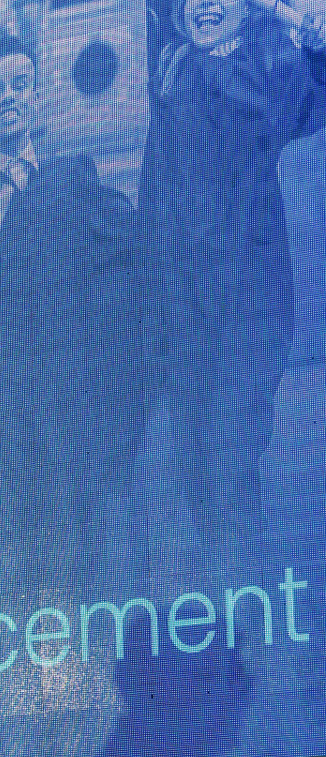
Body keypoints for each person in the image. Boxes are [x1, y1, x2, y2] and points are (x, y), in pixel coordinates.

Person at [0, 36, 141, 585]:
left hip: (68, 394)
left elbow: (128, 254)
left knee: (87, 541)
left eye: (20, 85)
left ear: (39, 98)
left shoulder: (74, 178)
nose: (9, 97)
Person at [140, 0, 326, 557]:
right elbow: (155, 196)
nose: (203, 5)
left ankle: (245, 570)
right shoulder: (173, 75)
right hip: (181, 299)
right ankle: (229, 571)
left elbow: (294, 108)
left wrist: (313, 46)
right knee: (196, 456)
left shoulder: (268, 65)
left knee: (235, 450)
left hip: (251, 296)